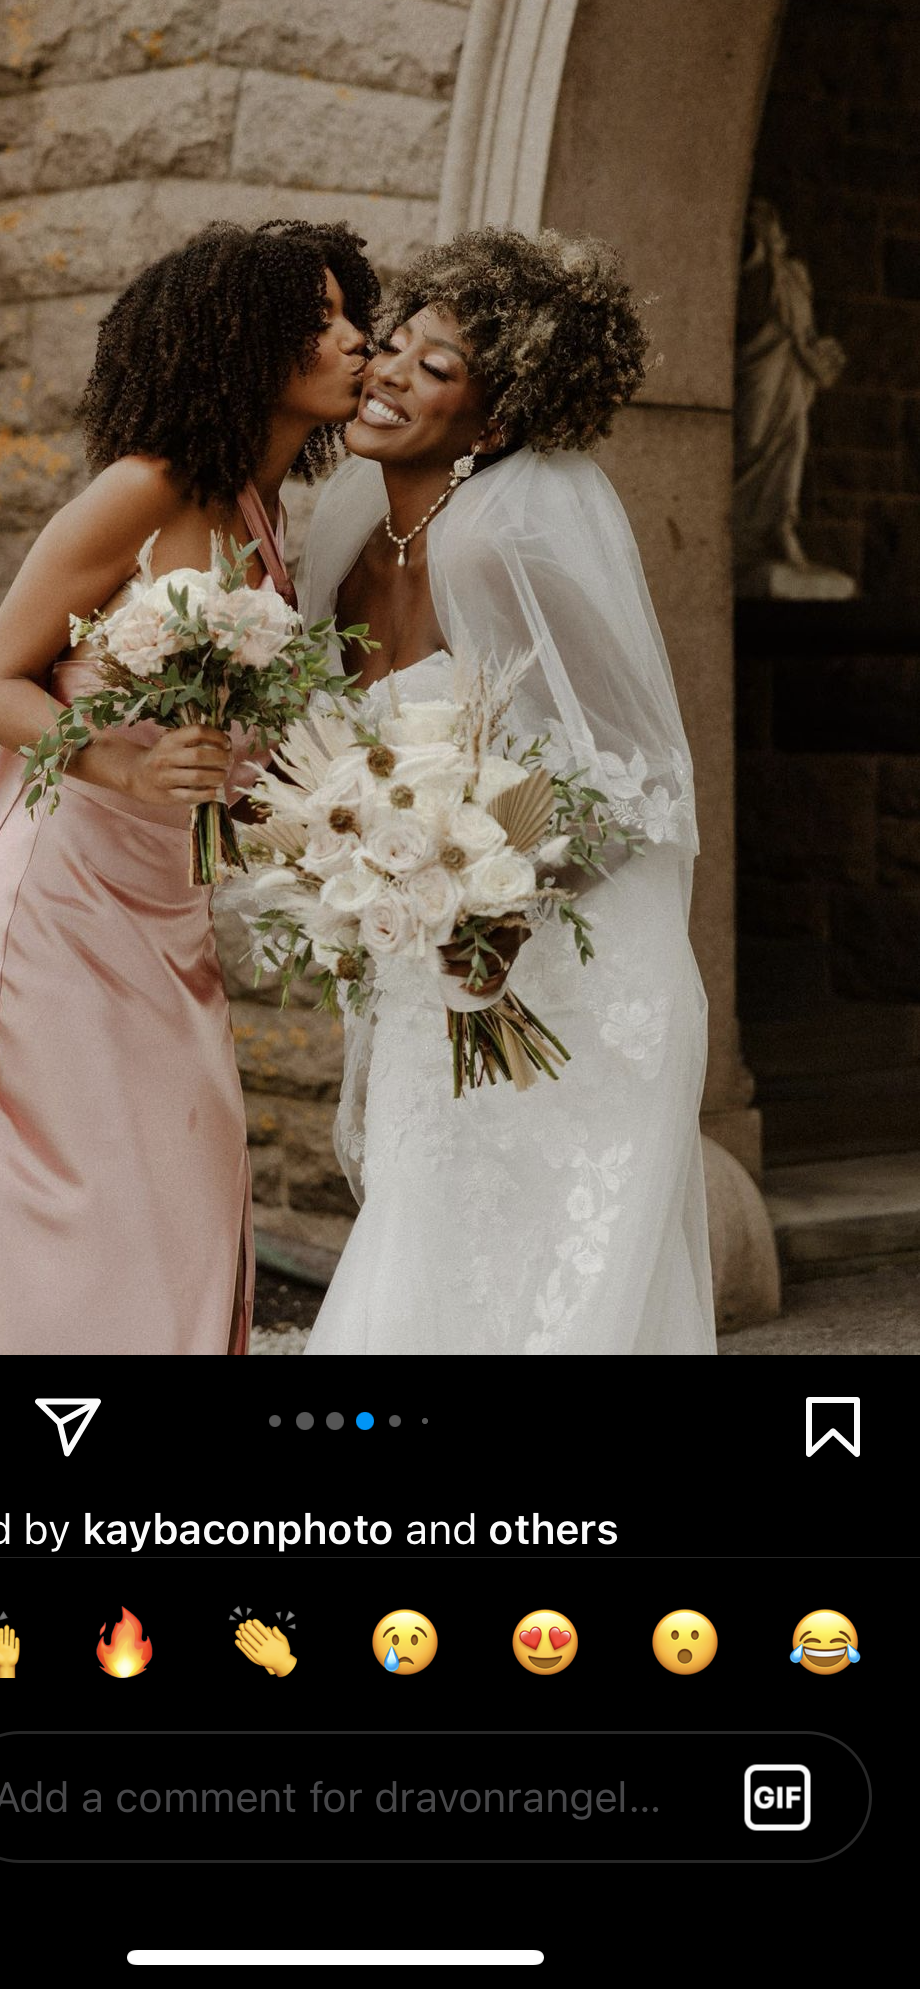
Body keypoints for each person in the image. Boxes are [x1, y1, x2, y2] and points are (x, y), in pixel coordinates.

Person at [0, 219, 376, 1357]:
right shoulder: (141, 490)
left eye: (352, 314)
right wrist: (125, 759)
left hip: (163, 905)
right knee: (61, 1203)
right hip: (59, 900)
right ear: (239, 345)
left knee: (182, 1180)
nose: (355, 340)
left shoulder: (263, 513)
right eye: (322, 320)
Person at [297, 225, 714, 1356]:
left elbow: (638, 779)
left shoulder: (506, 542)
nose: (386, 373)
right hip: (428, 980)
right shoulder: (341, 529)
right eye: (393, 347)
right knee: (422, 1256)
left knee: (548, 1301)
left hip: (572, 990)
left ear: (500, 423)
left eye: (435, 369)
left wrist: (488, 887)